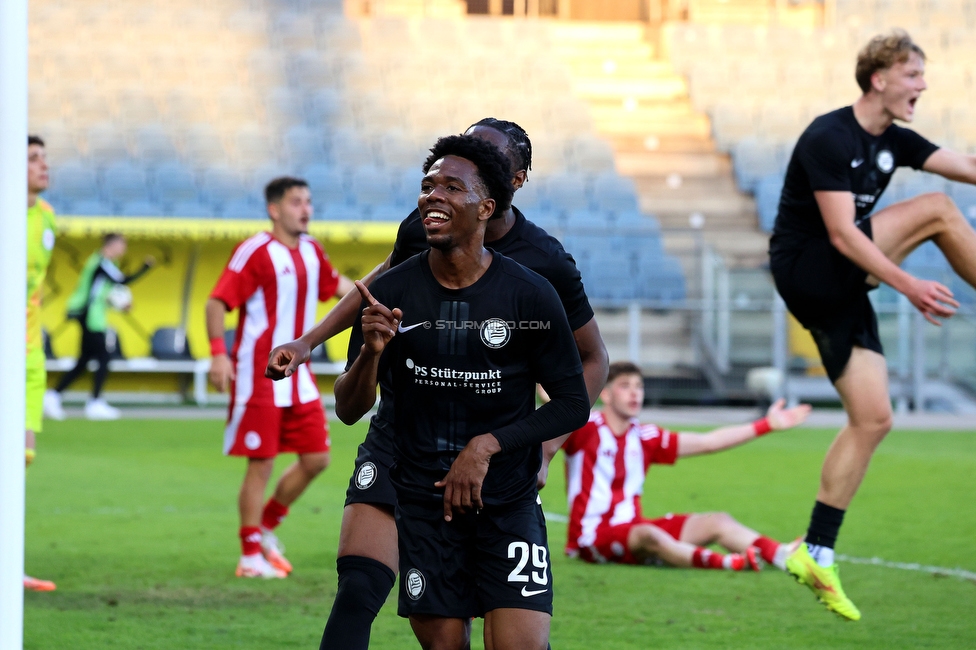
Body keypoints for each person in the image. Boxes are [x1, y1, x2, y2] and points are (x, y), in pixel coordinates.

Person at [266, 119, 608, 650]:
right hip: (408, 449)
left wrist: (540, 448)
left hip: (500, 466)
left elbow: (587, 370)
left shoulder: (541, 271)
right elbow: (375, 297)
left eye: (460, 179)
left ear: (506, 186)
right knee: (365, 589)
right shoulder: (419, 239)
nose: (437, 194)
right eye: (431, 183)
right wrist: (317, 342)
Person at [769, 29, 976, 620]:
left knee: (874, 418)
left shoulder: (896, 140)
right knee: (936, 208)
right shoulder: (830, 135)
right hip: (812, 266)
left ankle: (815, 549)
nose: (923, 85)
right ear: (879, 78)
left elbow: (965, 164)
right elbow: (840, 233)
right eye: (913, 75)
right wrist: (908, 285)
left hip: (840, 285)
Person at [206, 176, 355, 579]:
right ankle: (250, 556)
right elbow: (218, 301)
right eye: (296, 202)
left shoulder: (312, 251)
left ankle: (267, 527)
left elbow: (341, 288)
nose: (305, 209)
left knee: (317, 458)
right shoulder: (255, 251)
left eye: (308, 201)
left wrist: (380, 292)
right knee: (262, 464)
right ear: (275, 209)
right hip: (260, 374)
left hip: (298, 374)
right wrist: (219, 355)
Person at [561, 361, 810, 574]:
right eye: (625, 386)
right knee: (649, 534)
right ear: (605, 394)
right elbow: (551, 401)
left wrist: (767, 424)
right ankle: (727, 563)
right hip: (591, 537)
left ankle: (781, 555)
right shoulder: (585, 427)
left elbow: (708, 442)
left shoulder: (646, 437)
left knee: (717, 521)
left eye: (639, 386)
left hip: (635, 529)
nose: (635, 393)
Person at [44, 233, 154, 420]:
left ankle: (54, 395)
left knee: (85, 360)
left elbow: (105, 292)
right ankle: (94, 402)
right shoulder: (102, 262)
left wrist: (120, 304)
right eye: (122, 245)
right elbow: (121, 282)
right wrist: (145, 268)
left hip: (93, 316)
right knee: (103, 356)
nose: (124, 249)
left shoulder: (107, 264)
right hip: (87, 315)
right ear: (112, 245)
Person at [24, 135, 57, 592]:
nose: (43, 166)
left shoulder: (47, 216)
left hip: (29, 351)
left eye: (43, 157)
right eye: (32, 158)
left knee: (22, 455)